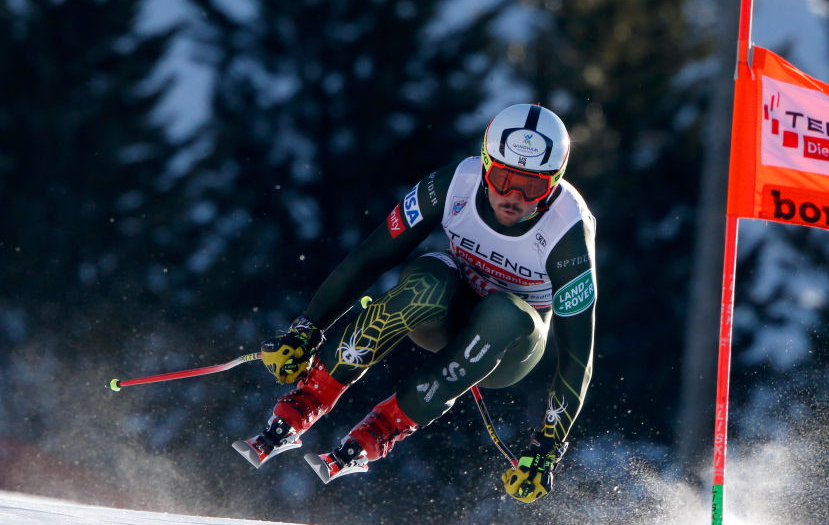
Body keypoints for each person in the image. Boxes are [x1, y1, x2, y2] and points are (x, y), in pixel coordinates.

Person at [233, 104, 597, 503]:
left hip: (508, 347)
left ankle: (389, 425)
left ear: (555, 183)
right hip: (442, 313)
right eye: (502, 177)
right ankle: (312, 393)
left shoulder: (568, 230)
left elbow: (577, 356)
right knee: (428, 277)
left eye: (531, 187)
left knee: (503, 312)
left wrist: (547, 449)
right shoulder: (453, 184)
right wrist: (306, 330)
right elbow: (370, 257)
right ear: (486, 163)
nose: (512, 197)